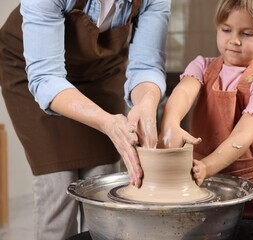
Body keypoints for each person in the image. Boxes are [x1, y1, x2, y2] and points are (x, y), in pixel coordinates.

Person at [0, 0, 170, 239]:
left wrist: (146, 103)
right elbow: (46, 78)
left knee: (104, 185)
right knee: (58, 187)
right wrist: (108, 123)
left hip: (101, 74)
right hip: (32, 73)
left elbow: (147, 65)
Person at [158, 0, 253, 218]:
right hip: (197, 177)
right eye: (226, 30)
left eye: (246, 34)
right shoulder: (202, 66)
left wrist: (207, 166)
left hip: (246, 186)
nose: (234, 40)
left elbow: (243, 136)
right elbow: (184, 92)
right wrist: (170, 124)